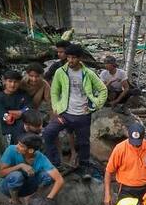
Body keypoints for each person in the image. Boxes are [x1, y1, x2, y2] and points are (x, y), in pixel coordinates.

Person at [43, 44, 107, 177]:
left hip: (83, 114)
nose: (70, 61)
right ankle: (55, 164)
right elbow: (54, 92)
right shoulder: (61, 72)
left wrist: (95, 106)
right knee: (49, 132)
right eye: (68, 57)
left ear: (80, 58)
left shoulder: (88, 73)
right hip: (65, 113)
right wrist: (57, 110)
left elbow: (103, 89)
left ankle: (84, 166)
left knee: (83, 142)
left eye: (74, 58)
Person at [0, 134, 64, 205]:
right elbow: (1, 173)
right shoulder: (11, 149)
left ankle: (32, 197)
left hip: (27, 187)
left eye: (21, 146)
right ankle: (15, 200)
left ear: (31, 150)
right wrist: (20, 166)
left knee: (47, 176)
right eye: (18, 143)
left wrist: (48, 199)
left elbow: (59, 180)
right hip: (7, 187)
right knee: (16, 175)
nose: (17, 147)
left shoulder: (41, 158)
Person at [0, 70, 30, 146]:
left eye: (16, 82)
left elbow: (28, 107)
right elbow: (1, 112)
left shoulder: (23, 94)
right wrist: (8, 116)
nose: (12, 84)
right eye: (10, 81)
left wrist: (21, 112)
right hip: (8, 130)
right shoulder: (0, 97)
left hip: (24, 127)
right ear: (4, 81)